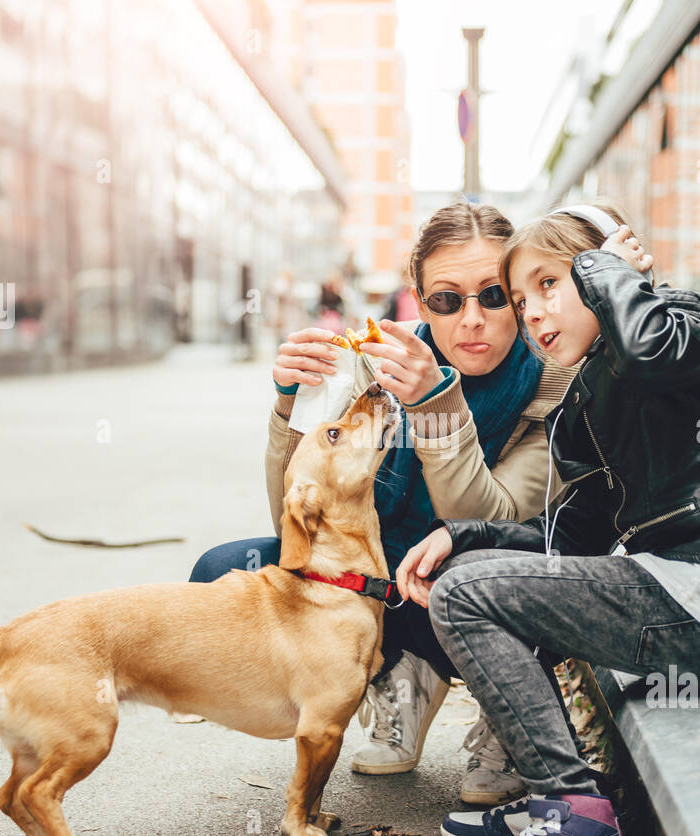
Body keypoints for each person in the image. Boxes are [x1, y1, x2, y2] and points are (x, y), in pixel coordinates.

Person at [394, 202, 700, 836]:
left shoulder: (679, 324)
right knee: (473, 584)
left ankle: (575, 817)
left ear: (607, 269)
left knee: (468, 596)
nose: (530, 312)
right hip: (688, 605)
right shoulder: (585, 402)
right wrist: (462, 535)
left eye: (548, 284)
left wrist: (605, 269)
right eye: (521, 298)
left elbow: (647, 349)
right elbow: (567, 544)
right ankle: (566, 799)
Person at [190, 202, 579, 805]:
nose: (471, 320)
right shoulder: (373, 370)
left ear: (520, 300)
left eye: (493, 296)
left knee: (464, 572)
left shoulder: (552, 385)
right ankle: (399, 670)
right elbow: (300, 526)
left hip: (484, 586)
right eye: (447, 300)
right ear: (419, 303)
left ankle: (508, 714)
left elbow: (492, 521)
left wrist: (434, 405)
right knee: (224, 570)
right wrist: (292, 409)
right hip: (388, 582)